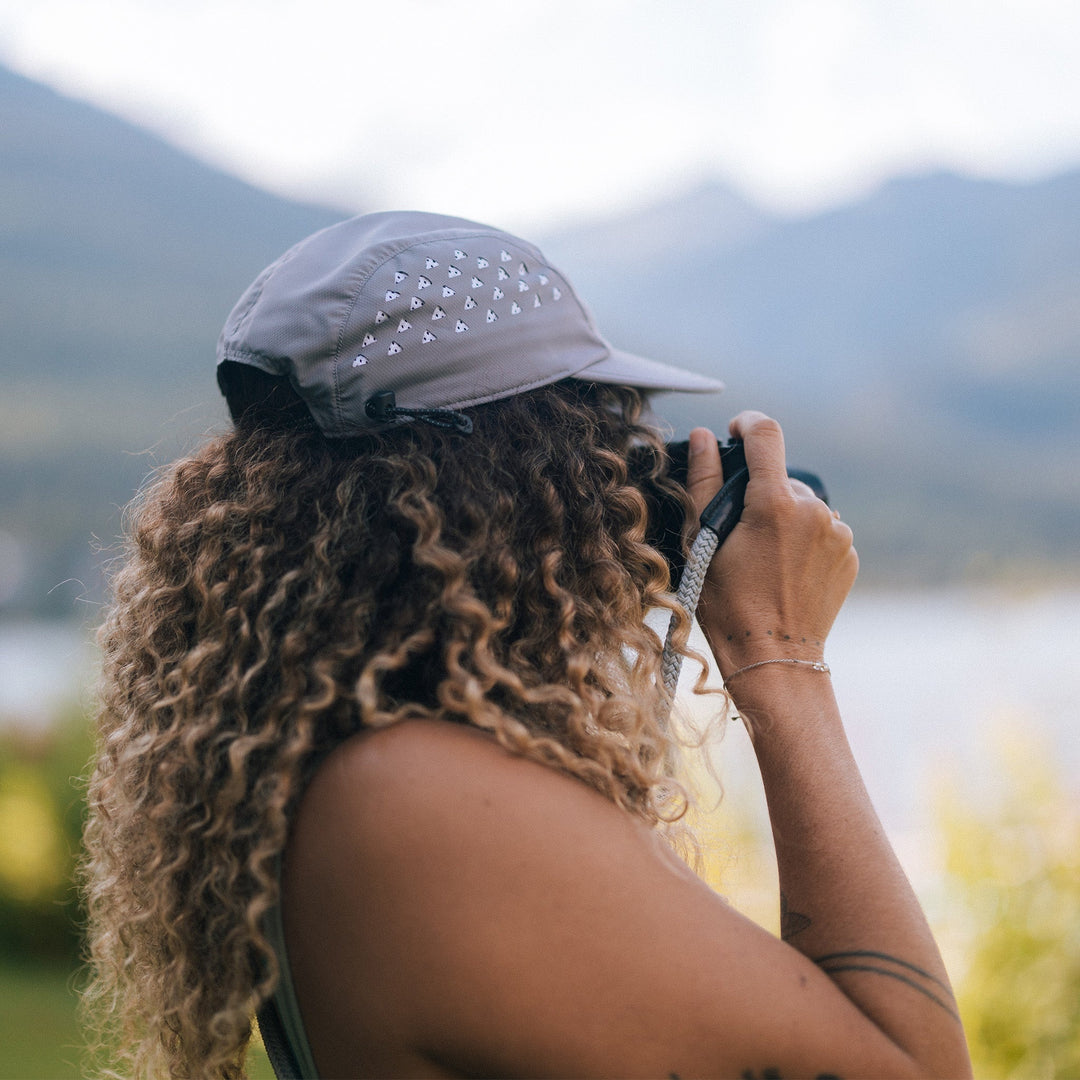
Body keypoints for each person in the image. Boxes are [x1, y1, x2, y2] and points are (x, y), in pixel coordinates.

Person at [80, 211, 972, 1079]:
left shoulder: (354, 769)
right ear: (521, 482)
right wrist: (782, 657)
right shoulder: (418, 802)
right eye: (597, 442)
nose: (617, 499)